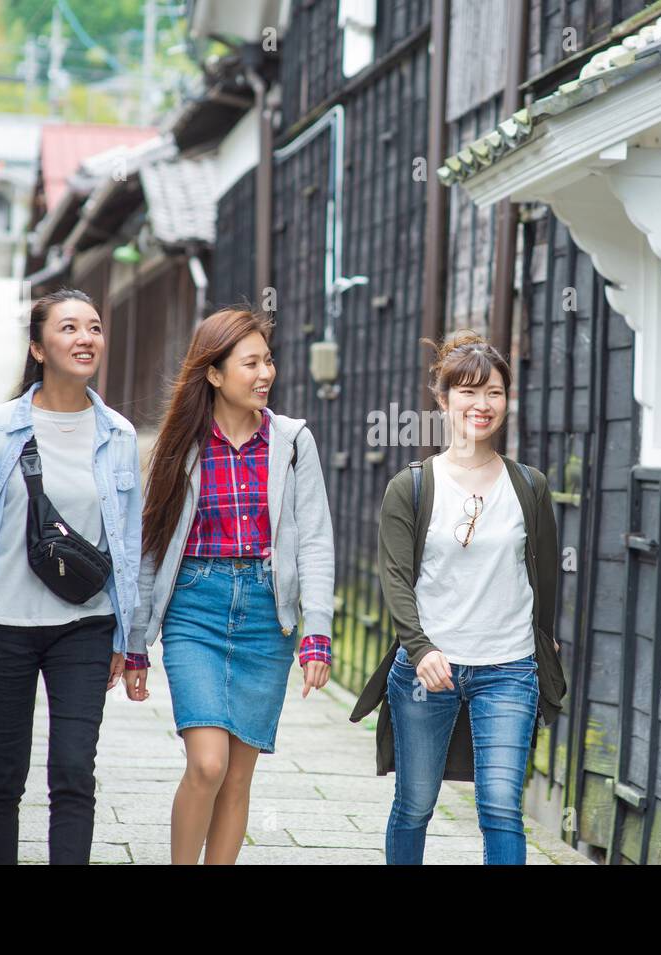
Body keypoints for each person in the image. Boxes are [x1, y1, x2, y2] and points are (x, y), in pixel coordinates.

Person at [0, 287, 143, 865]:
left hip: (85, 628)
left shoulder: (118, 436)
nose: (86, 338)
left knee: (74, 770)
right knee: (4, 772)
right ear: (38, 348)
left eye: (94, 327)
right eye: (69, 327)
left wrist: (129, 637)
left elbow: (129, 545)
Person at [349, 329, 567, 865]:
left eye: (494, 392)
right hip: (429, 669)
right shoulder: (414, 485)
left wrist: (546, 641)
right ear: (443, 400)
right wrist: (420, 650)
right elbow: (396, 579)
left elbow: (544, 577)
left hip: (510, 667)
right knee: (415, 804)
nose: (482, 404)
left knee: (500, 808)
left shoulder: (530, 487)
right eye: (468, 392)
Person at [127, 305, 334, 864]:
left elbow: (314, 539)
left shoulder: (292, 442)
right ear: (214, 373)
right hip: (196, 607)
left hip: (268, 615)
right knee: (207, 764)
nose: (266, 373)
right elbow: (152, 546)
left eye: (268, 360)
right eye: (251, 363)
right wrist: (135, 642)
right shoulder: (181, 443)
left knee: (238, 779)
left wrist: (317, 633)